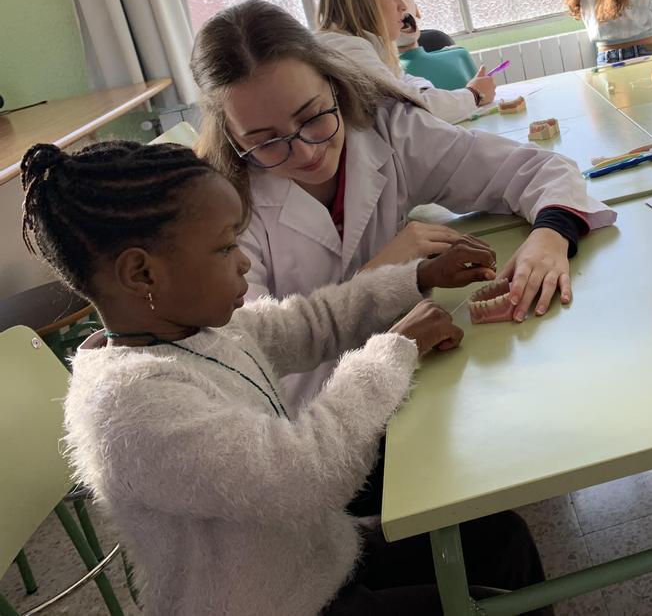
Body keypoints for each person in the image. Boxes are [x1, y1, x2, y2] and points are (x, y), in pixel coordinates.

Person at [21, 140, 551, 616]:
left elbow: (311, 321)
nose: (243, 266)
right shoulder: (131, 406)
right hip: (273, 606)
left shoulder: (188, 329)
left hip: (315, 568)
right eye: (226, 247)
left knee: (496, 538)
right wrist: (396, 348)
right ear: (142, 274)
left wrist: (417, 277)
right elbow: (306, 474)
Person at [191, 0, 616, 408]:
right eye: (266, 142)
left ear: (335, 84)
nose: (305, 152)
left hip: (411, 387)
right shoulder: (222, 213)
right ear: (231, 137)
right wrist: (384, 279)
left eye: (312, 116)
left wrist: (551, 233)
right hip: (323, 431)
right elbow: (260, 368)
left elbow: (533, 171)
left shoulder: (387, 132)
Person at [316, 0, 493, 124]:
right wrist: (474, 94)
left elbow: (407, 85)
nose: (402, 5)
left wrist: (427, 95)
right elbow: (415, 111)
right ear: (361, 1)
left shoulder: (365, 47)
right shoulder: (346, 50)